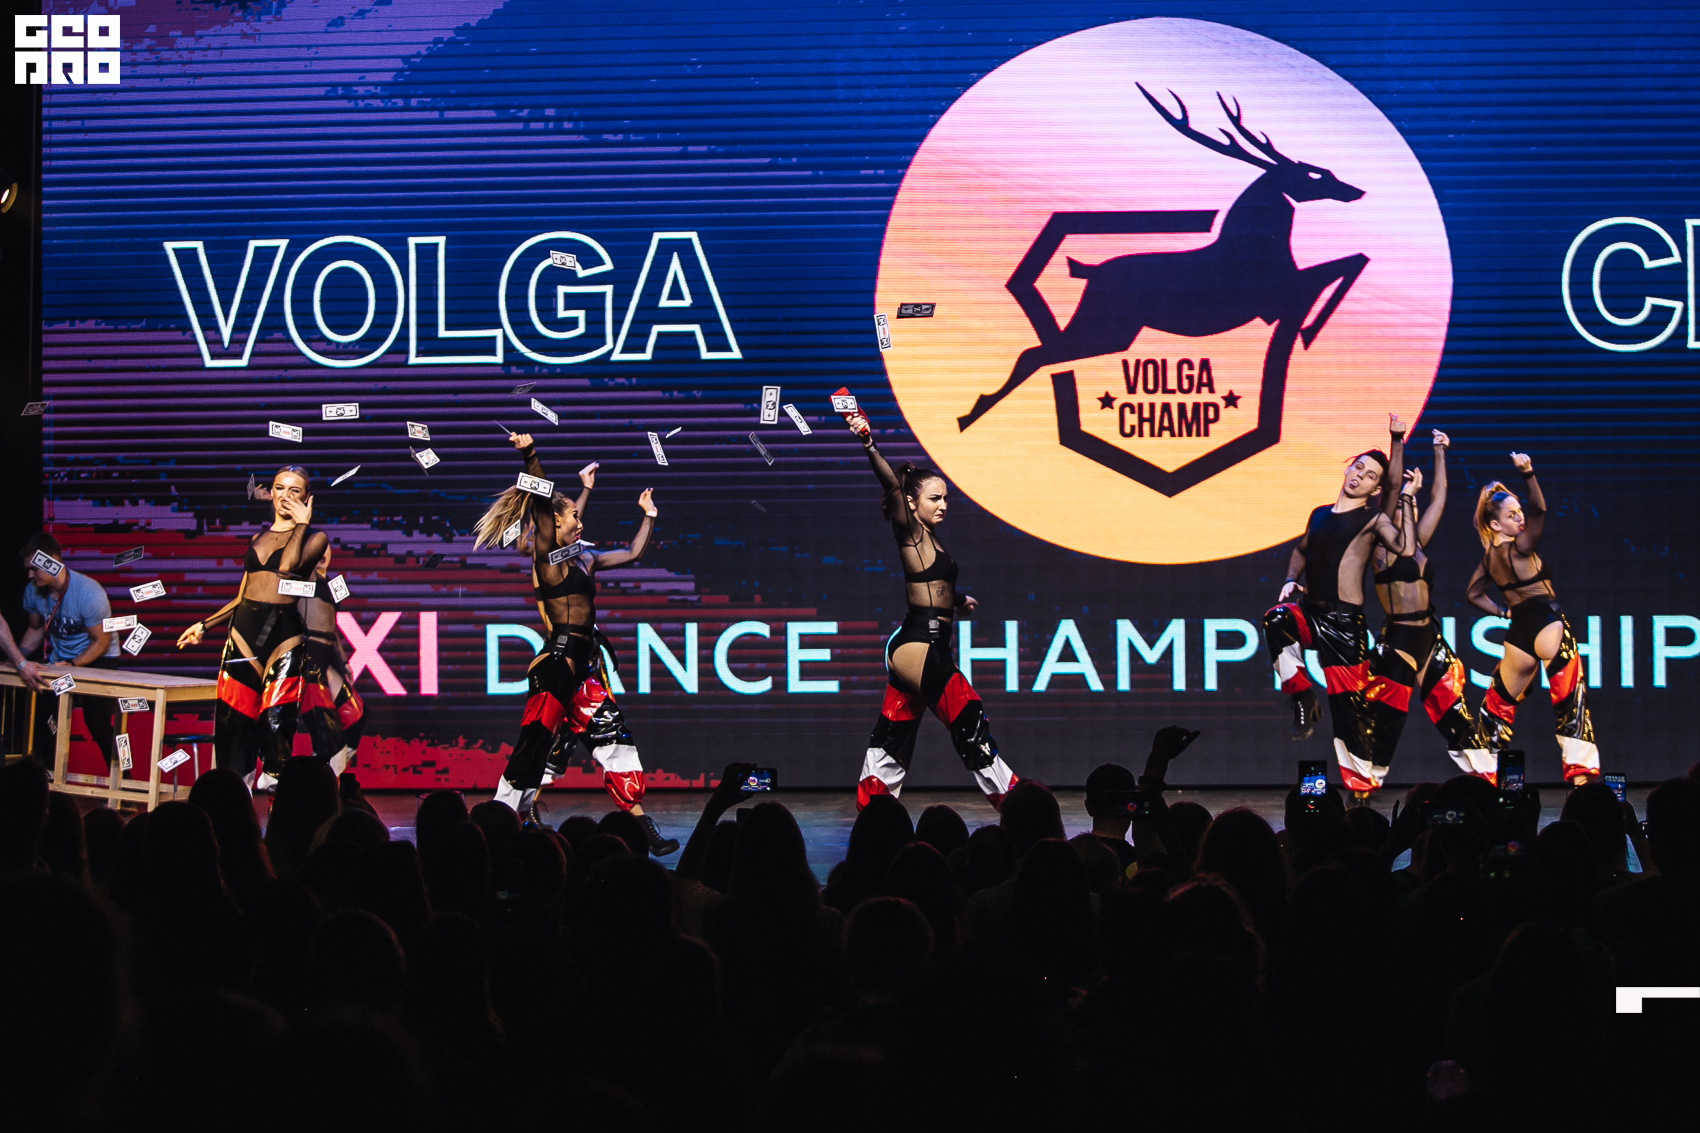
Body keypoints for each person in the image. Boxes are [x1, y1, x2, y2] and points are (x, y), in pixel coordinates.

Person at [474, 432, 677, 856]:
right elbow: (547, 507)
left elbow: (632, 553)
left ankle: (643, 828)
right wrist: (530, 454)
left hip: (584, 669)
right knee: (535, 746)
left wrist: (649, 515)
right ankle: (501, 825)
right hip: (558, 665)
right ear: (553, 522)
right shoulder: (546, 559)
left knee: (613, 739)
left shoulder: (583, 557)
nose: (581, 522)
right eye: (573, 517)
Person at [842, 407, 1019, 809]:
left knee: (894, 735)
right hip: (918, 641)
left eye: (945, 498)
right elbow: (891, 485)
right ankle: (1014, 802)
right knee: (967, 714)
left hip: (925, 644)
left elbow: (933, 587)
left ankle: (874, 810)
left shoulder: (931, 542)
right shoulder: (911, 533)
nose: (943, 505)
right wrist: (868, 442)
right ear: (911, 502)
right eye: (934, 498)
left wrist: (959, 601)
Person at [1262, 416, 1412, 799]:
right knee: (1276, 620)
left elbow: (1396, 492)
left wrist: (1396, 439)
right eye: (1358, 467)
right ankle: (1302, 694)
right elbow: (1301, 550)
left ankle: (1360, 790)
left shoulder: (1373, 519)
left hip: (1345, 626)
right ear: (1348, 468)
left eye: (1370, 475)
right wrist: (1290, 578)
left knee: (1350, 711)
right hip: (1310, 613)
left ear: (1376, 488)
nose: (1360, 475)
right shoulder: (1319, 514)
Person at [175, 465, 328, 788]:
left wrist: (301, 524)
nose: (285, 496)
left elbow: (287, 568)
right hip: (243, 632)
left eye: (295, 491)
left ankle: (277, 812)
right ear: (270, 492)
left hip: (283, 637)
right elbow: (242, 595)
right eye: (279, 488)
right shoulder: (258, 537)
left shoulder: (315, 538)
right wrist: (204, 625)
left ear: (307, 498)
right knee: (233, 725)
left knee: (277, 725)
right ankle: (234, 803)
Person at [1362, 431, 1494, 787]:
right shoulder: (1381, 545)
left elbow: (1439, 498)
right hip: (1399, 639)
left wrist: (1439, 452)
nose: (1410, 509)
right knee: (1388, 718)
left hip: (1428, 636)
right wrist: (1397, 445)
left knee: (1455, 711)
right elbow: (1392, 493)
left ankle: (1486, 781)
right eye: (1403, 506)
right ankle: (1364, 788)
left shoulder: (1418, 542)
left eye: (1412, 506)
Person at [1465, 453, 1599, 784]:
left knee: (1496, 708)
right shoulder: (1519, 548)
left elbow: (1473, 594)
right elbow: (1540, 509)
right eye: (1512, 515)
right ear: (1496, 525)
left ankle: (1484, 779)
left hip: (1519, 634)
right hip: (1546, 623)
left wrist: (1503, 612)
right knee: (1570, 701)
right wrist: (1528, 473)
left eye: (1519, 511)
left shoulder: (1489, 558)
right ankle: (1581, 780)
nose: (1520, 517)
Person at [17, 533, 121, 771]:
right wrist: (17, 658)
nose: (30, 575)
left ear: (53, 561)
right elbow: (36, 629)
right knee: (47, 718)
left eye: (35, 568)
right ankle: (47, 779)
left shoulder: (89, 592)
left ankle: (124, 780)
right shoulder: (33, 591)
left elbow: (101, 641)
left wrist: (73, 666)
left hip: (99, 658)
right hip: (62, 660)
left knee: (96, 721)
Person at [298, 551, 364, 775]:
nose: (322, 553)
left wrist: (343, 662)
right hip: (308, 658)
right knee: (327, 730)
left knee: (355, 715)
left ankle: (324, 767)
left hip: (327, 658)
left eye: (325, 547)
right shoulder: (300, 582)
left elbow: (332, 625)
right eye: (316, 548)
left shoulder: (336, 584)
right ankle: (324, 773)